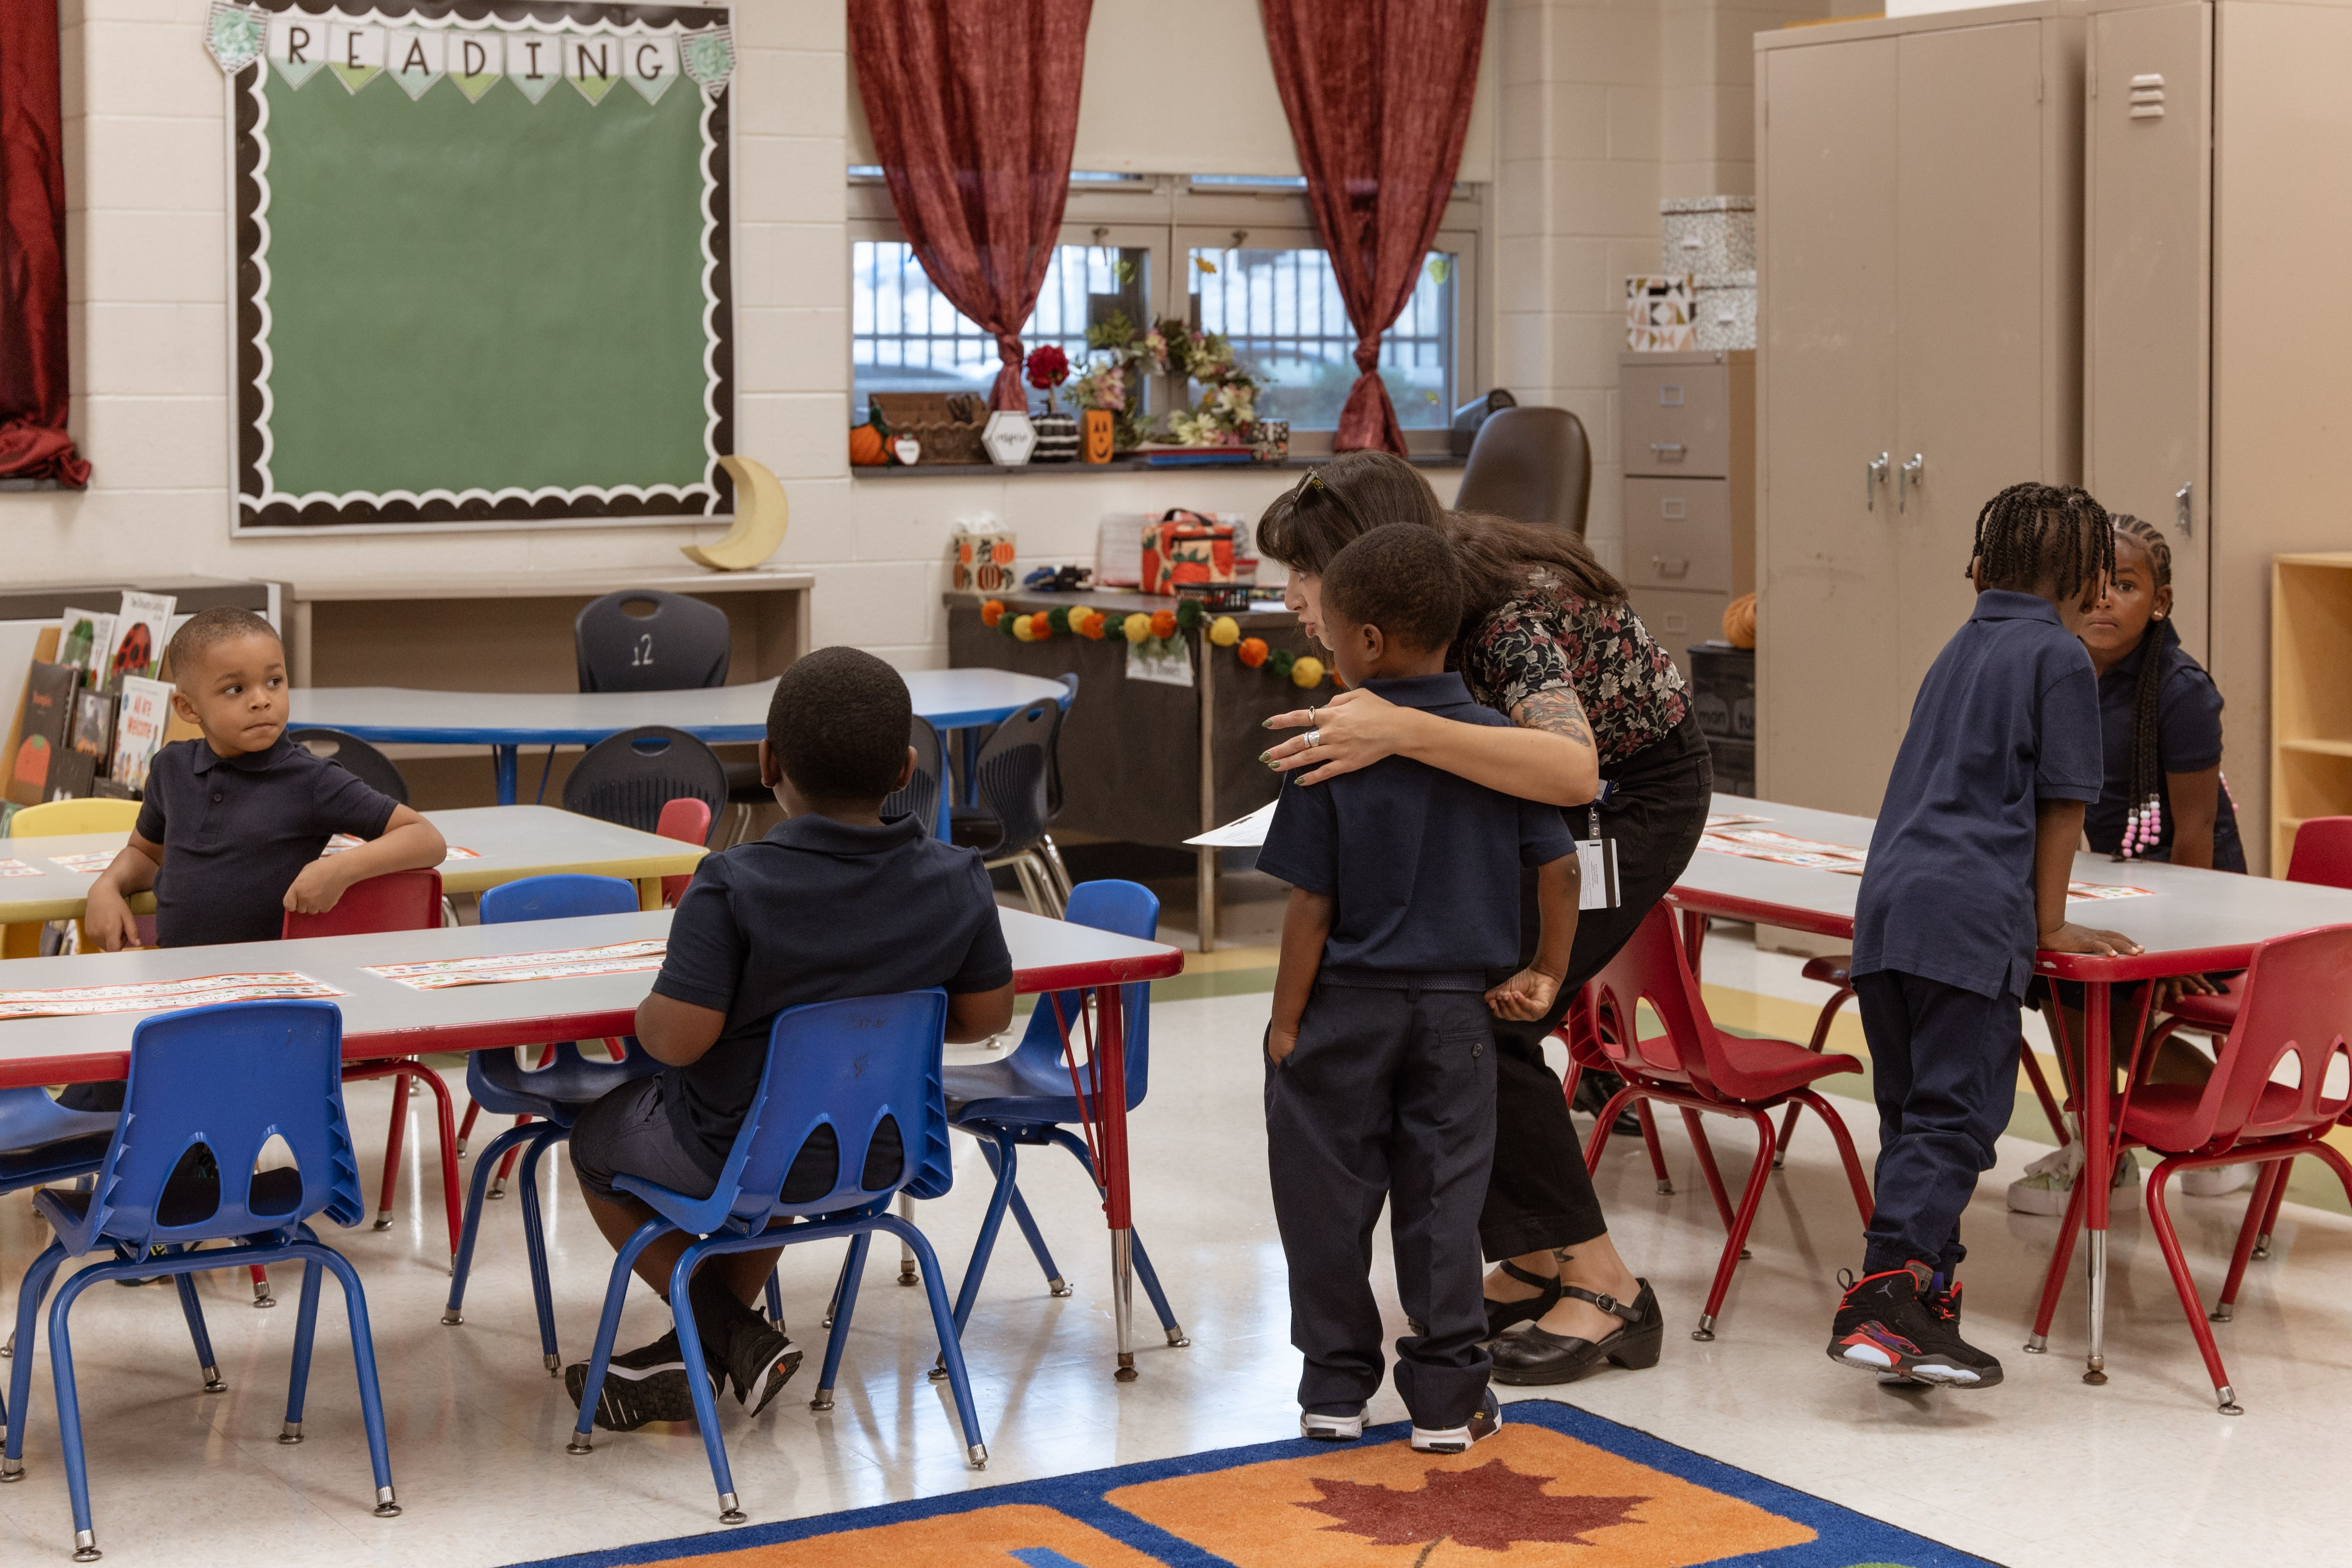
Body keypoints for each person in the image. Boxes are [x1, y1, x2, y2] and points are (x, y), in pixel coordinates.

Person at [1257, 451, 1701, 1385]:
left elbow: (1571, 771)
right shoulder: (1409, 611)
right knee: (1446, 1013)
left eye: (1303, 573)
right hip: (1522, 805)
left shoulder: (1501, 613)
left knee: (1486, 1014)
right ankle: (1536, 1258)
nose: (1295, 597)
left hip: (1625, 802)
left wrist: (1397, 728)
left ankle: (1605, 1282)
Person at [564, 647, 1015, 1432]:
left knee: (596, 1142)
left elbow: (676, 1042)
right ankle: (700, 1348)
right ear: (907, 767)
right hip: (884, 1153)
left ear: (768, 761)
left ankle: (726, 1328)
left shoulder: (735, 881)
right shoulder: (957, 873)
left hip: (742, 1153)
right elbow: (984, 1018)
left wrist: (643, 1010)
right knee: (765, 1140)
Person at [1257, 523, 1580, 1453]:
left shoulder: (1331, 741)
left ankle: (1333, 1389)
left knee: (1324, 1201)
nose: (1322, 640)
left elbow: (1310, 906)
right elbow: (1557, 870)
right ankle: (1444, 1401)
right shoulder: (1495, 744)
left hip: (1344, 1009)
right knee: (1443, 1205)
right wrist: (1545, 970)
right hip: (1455, 1015)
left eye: (1329, 628)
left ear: (1365, 643)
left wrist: (1285, 1023)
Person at [1828, 483, 2142, 1389]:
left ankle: (1923, 1307)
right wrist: (2049, 924)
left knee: (1913, 1117)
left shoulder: (1958, 646)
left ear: (1982, 565)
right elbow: (2064, 804)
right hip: (1968, 918)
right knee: (1958, 1120)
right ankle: (1887, 1302)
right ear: (2084, 577)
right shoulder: (2059, 657)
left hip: (1887, 914)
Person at [74, 607, 447, 1119]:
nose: (261, 700)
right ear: (187, 707)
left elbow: (424, 839)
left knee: (166, 1091)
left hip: (264, 998)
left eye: (275, 681)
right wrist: (108, 887)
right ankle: (123, 1177)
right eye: (235, 690)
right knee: (100, 1076)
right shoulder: (171, 770)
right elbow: (145, 853)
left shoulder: (311, 780)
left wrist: (337, 870)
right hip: (178, 984)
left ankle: (195, 1185)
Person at [2007, 512, 2249, 1215]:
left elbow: (2197, 830)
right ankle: (2100, 1140)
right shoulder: (2060, 670)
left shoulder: (2181, 691)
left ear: (2161, 602)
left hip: (2200, 900)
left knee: (2101, 1002)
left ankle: (2221, 1125)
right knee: (2053, 978)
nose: (2106, 598)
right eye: (2093, 584)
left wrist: (2182, 948)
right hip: (2123, 886)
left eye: (2127, 584)